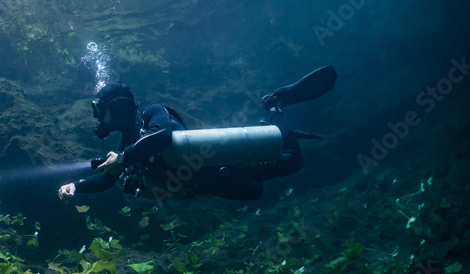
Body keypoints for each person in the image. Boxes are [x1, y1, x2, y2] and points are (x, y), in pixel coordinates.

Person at [58, 66, 337, 201]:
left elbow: (163, 137)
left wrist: (121, 159)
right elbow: (107, 180)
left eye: (99, 109)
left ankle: (276, 103)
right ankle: (276, 121)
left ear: (116, 108)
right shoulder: (128, 146)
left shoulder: (153, 114)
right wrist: (77, 186)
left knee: (292, 160)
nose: (97, 117)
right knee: (289, 162)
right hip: (219, 180)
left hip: (230, 162)